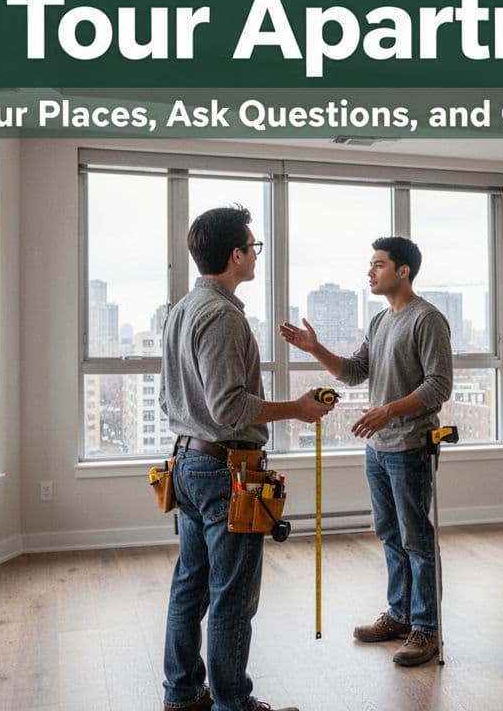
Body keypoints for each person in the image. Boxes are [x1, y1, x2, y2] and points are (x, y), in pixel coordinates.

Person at [161, 205, 332, 711]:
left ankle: (184, 694)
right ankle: (232, 704)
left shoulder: (181, 310)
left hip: (188, 463)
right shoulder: (221, 317)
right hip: (222, 470)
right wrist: (298, 410)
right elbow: (229, 406)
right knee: (232, 596)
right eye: (253, 247)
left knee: (190, 588)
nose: (255, 254)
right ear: (235, 255)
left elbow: (175, 398)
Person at [278, 236, 453, 667]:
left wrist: (389, 411)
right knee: (390, 535)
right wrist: (313, 348)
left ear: (404, 271)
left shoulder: (426, 319)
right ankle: (399, 615)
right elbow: (355, 373)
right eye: (370, 265)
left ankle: (427, 630)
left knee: (417, 540)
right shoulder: (379, 322)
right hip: (377, 448)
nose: (370, 272)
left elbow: (438, 385)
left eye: (378, 264)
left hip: (409, 447)